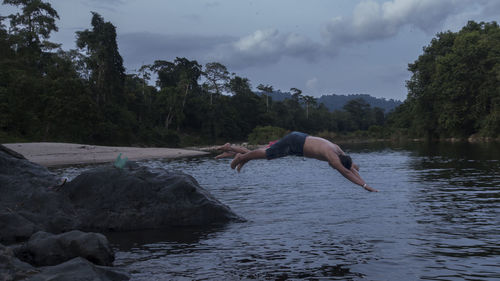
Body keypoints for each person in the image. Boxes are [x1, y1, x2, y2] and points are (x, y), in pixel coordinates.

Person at [223, 131, 378, 192]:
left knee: (268, 153)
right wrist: (365, 186)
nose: (332, 167)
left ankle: (238, 154)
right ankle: (242, 157)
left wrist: (364, 182)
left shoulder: (338, 151)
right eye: (334, 167)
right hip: (296, 143)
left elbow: (352, 167)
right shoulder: (333, 156)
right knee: (268, 154)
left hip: (300, 140)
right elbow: (346, 171)